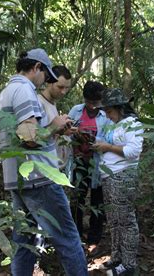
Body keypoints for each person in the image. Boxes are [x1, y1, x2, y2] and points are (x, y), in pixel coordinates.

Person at [0, 48, 88, 275]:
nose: (45, 80)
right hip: (39, 178)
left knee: (23, 240)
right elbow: (30, 138)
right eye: (46, 75)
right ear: (36, 68)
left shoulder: (7, 91)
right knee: (67, 237)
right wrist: (55, 126)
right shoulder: (25, 91)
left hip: (18, 178)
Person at [92, 88, 143, 276]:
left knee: (126, 221)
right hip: (108, 176)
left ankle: (128, 265)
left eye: (110, 111)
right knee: (114, 220)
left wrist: (108, 147)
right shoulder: (112, 124)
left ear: (120, 108)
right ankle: (116, 257)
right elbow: (103, 141)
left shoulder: (132, 123)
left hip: (123, 176)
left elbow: (133, 152)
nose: (108, 115)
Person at [68, 81, 111, 254]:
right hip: (79, 162)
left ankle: (94, 238)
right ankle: (76, 235)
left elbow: (111, 137)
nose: (93, 106)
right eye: (90, 101)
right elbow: (66, 133)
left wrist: (99, 143)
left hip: (99, 163)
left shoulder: (106, 115)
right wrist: (75, 134)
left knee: (97, 201)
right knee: (78, 199)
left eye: (96, 102)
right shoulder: (75, 111)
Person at [38, 65, 73, 172]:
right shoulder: (38, 103)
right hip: (43, 167)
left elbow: (50, 133)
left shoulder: (52, 104)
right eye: (60, 87)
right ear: (49, 82)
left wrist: (63, 131)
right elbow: (34, 138)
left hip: (55, 166)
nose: (63, 92)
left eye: (67, 88)